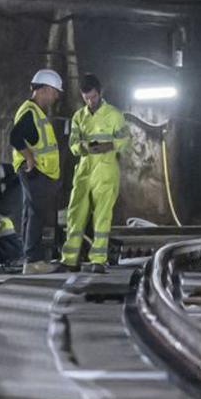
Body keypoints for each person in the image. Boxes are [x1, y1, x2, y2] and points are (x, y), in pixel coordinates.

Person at [59, 73, 129, 273]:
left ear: (100, 93)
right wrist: (84, 147)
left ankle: (98, 259)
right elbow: (72, 144)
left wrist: (110, 145)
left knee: (102, 216)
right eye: (86, 98)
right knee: (75, 214)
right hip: (84, 170)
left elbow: (126, 140)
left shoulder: (114, 115)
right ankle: (70, 259)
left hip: (106, 171)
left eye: (93, 97)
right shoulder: (79, 117)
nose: (90, 101)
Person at [10, 69, 63, 274]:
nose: (56, 96)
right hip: (35, 172)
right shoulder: (31, 112)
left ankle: (30, 259)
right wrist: (30, 159)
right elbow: (15, 137)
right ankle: (33, 261)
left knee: (32, 214)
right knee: (37, 215)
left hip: (38, 172)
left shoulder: (34, 112)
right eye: (55, 91)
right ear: (45, 89)